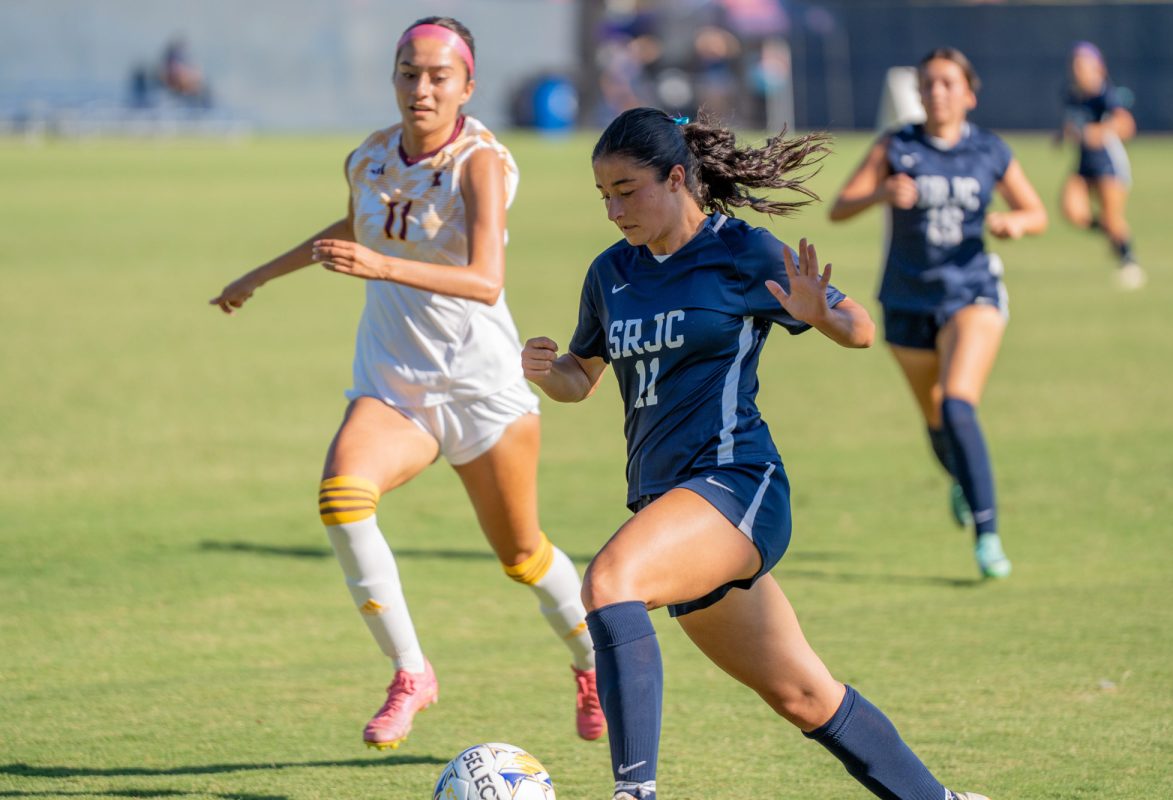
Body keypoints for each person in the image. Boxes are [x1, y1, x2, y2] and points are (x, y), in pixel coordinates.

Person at [522, 106, 993, 800]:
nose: (614, 209)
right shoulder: (610, 274)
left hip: (739, 484)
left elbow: (860, 328)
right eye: (604, 195)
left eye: (627, 190)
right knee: (806, 695)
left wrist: (821, 313)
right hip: (673, 511)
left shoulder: (739, 251)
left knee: (610, 583)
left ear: (676, 177)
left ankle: (634, 793)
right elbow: (580, 378)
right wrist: (547, 369)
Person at [209, 16, 604, 749]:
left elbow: (486, 280)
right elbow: (360, 226)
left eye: (437, 76)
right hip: (394, 388)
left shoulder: (480, 161)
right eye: (408, 72)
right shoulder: (368, 157)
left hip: (484, 389)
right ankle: (411, 672)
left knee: (523, 558)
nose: (421, 88)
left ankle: (591, 664)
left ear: (467, 86)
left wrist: (384, 267)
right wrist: (258, 276)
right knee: (341, 498)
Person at [829, 47, 1047, 579]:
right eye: (929, 83)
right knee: (935, 418)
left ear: (969, 94)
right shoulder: (896, 145)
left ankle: (987, 533)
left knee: (956, 405)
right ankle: (962, 479)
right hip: (905, 300)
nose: (937, 92)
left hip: (971, 292)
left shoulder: (990, 150)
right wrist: (880, 193)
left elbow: (1034, 209)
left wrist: (1016, 223)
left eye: (948, 83)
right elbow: (839, 208)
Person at [1058, 41, 1143, 289]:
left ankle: (1129, 261)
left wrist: (1100, 131)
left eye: (1084, 66)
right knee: (1072, 212)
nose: (1079, 70)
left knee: (1112, 217)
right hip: (1084, 165)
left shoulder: (1106, 95)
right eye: (1076, 65)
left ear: (1098, 68)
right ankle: (1111, 234)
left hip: (1108, 163)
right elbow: (1074, 125)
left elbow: (1126, 125)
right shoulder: (1072, 95)